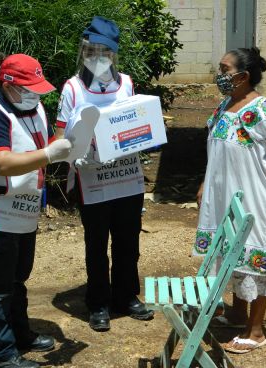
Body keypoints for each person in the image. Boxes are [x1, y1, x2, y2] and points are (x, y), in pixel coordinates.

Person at [0, 52, 72, 368]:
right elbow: (0, 162)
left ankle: (20, 334)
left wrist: (67, 148)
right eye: (28, 87)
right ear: (7, 83)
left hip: (22, 209)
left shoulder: (34, 107)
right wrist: (50, 155)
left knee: (17, 278)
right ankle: (1, 354)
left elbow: (44, 144)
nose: (35, 93)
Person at [194, 47, 266, 353]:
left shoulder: (262, 109)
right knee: (231, 252)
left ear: (243, 76)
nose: (220, 74)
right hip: (225, 197)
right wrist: (205, 183)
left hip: (255, 198)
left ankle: (255, 331)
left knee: (256, 257)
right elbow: (218, 150)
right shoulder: (226, 104)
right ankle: (238, 314)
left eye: (225, 69)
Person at [55, 16, 154, 331]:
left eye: (107, 52)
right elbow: (59, 135)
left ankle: (126, 296)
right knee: (96, 242)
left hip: (126, 178)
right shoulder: (73, 88)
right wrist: (76, 152)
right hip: (92, 180)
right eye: (94, 51)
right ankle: (98, 302)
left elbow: (138, 124)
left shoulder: (125, 83)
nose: (100, 58)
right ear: (84, 51)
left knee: (128, 239)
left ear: (114, 54)